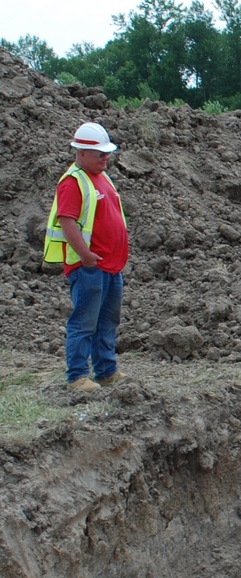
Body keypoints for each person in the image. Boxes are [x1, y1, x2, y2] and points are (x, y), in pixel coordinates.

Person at [43, 122, 129, 393]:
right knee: (84, 321)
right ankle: (77, 376)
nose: (106, 157)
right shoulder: (73, 182)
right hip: (89, 266)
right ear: (80, 153)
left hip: (111, 265)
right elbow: (67, 221)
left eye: (107, 153)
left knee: (107, 321)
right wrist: (85, 254)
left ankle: (106, 370)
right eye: (99, 153)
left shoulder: (102, 176)